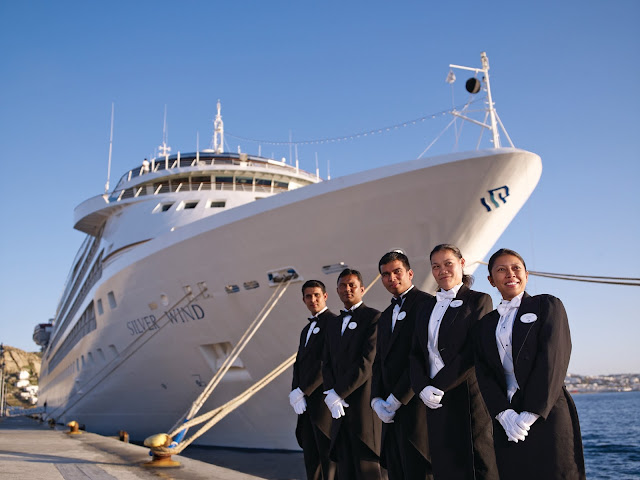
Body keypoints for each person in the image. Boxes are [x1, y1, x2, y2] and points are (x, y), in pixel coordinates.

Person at [474, 248, 585, 479]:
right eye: (501, 270)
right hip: (507, 419)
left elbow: (553, 359)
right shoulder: (485, 324)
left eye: (516, 268)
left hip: (547, 412)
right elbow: (483, 372)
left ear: (526, 274)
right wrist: (503, 413)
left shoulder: (547, 305)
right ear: (491, 280)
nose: (510, 274)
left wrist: (531, 412)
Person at [410, 244, 498, 479]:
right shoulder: (425, 307)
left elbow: (472, 351)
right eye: (436, 266)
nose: (442, 271)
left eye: (448, 263)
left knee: (478, 465)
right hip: (433, 400)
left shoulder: (479, 300)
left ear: (461, 263)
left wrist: (439, 385)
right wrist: (422, 387)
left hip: (468, 397)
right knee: (444, 465)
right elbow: (416, 352)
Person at [371, 251, 434, 480]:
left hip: (416, 408)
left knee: (419, 472)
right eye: (386, 274)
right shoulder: (386, 315)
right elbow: (379, 360)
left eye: (397, 271)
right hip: (390, 415)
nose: (392, 278)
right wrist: (376, 398)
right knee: (396, 471)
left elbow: (425, 356)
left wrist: (398, 398)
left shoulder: (428, 304)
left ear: (410, 273)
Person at [322, 268, 383, 479]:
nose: (347, 289)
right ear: (337, 290)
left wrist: (338, 392)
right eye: (343, 285)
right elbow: (326, 362)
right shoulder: (333, 324)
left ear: (362, 289)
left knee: (368, 471)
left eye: (352, 285)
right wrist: (330, 393)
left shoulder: (374, 318)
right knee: (345, 470)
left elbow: (367, 362)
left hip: (363, 408)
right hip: (339, 413)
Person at [289, 280, 338, 480]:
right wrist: (295, 392)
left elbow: (325, 363)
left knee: (329, 459)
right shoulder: (306, 330)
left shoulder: (333, 323)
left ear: (325, 296)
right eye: (308, 296)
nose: (313, 300)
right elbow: (299, 364)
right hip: (306, 406)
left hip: (323, 403)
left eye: (317, 295)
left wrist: (303, 390)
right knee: (311, 458)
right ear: (303, 300)